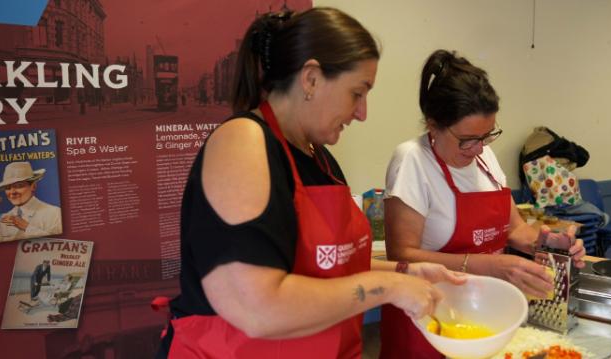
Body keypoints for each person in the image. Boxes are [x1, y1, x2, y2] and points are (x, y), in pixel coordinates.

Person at [154, 8, 467, 359]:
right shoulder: (242, 142)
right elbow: (256, 309)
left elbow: (331, 265)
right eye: (357, 93)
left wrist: (407, 272)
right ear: (312, 79)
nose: (362, 113)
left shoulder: (319, 156)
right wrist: (388, 287)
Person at [378, 50, 587, 359]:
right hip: (429, 318)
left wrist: (552, 243)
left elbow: (515, 229)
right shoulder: (412, 160)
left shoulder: (485, 159)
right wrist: (487, 265)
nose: (478, 149)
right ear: (433, 126)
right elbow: (401, 255)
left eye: (487, 136)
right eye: (467, 140)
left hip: (482, 313)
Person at [0, 161, 62, 245]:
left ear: (33, 186)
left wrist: (26, 227)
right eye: (8, 188)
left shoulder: (54, 213)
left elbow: (59, 245)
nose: (12, 192)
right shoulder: (6, 217)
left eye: (19, 186)